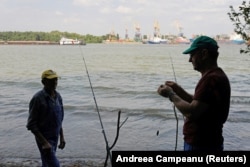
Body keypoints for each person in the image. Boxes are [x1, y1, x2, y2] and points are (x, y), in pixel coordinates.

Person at [157, 36, 231, 151]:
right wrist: (178, 90)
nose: (190, 60)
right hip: (209, 143)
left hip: (201, 145)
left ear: (204, 54)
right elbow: (201, 103)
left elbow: (192, 112)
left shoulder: (211, 79)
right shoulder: (215, 75)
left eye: (192, 55)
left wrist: (171, 94)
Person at [27, 69, 66, 166]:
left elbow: (59, 119)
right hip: (44, 138)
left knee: (47, 164)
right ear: (43, 82)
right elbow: (31, 124)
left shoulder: (58, 96)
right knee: (54, 165)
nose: (55, 82)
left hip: (55, 136)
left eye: (56, 80)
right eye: (51, 80)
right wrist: (44, 142)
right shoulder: (37, 98)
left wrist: (62, 137)